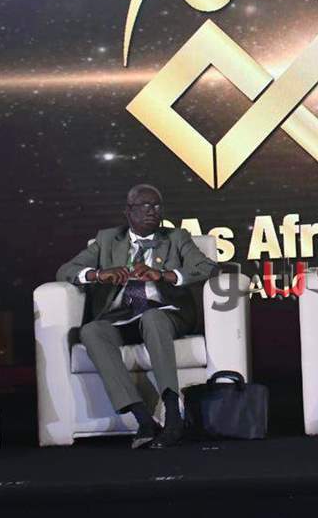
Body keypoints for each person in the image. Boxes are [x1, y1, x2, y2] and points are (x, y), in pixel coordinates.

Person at [57, 184, 218, 448]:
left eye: (157, 206)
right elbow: (66, 270)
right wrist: (99, 274)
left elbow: (207, 267)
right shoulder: (108, 239)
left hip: (165, 314)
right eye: (145, 205)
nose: (152, 211)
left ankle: (173, 416)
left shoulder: (176, 237)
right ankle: (142, 418)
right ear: (128, 211)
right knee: (91, 331)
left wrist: (164, 275)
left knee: (152, 318)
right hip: (122, 317)